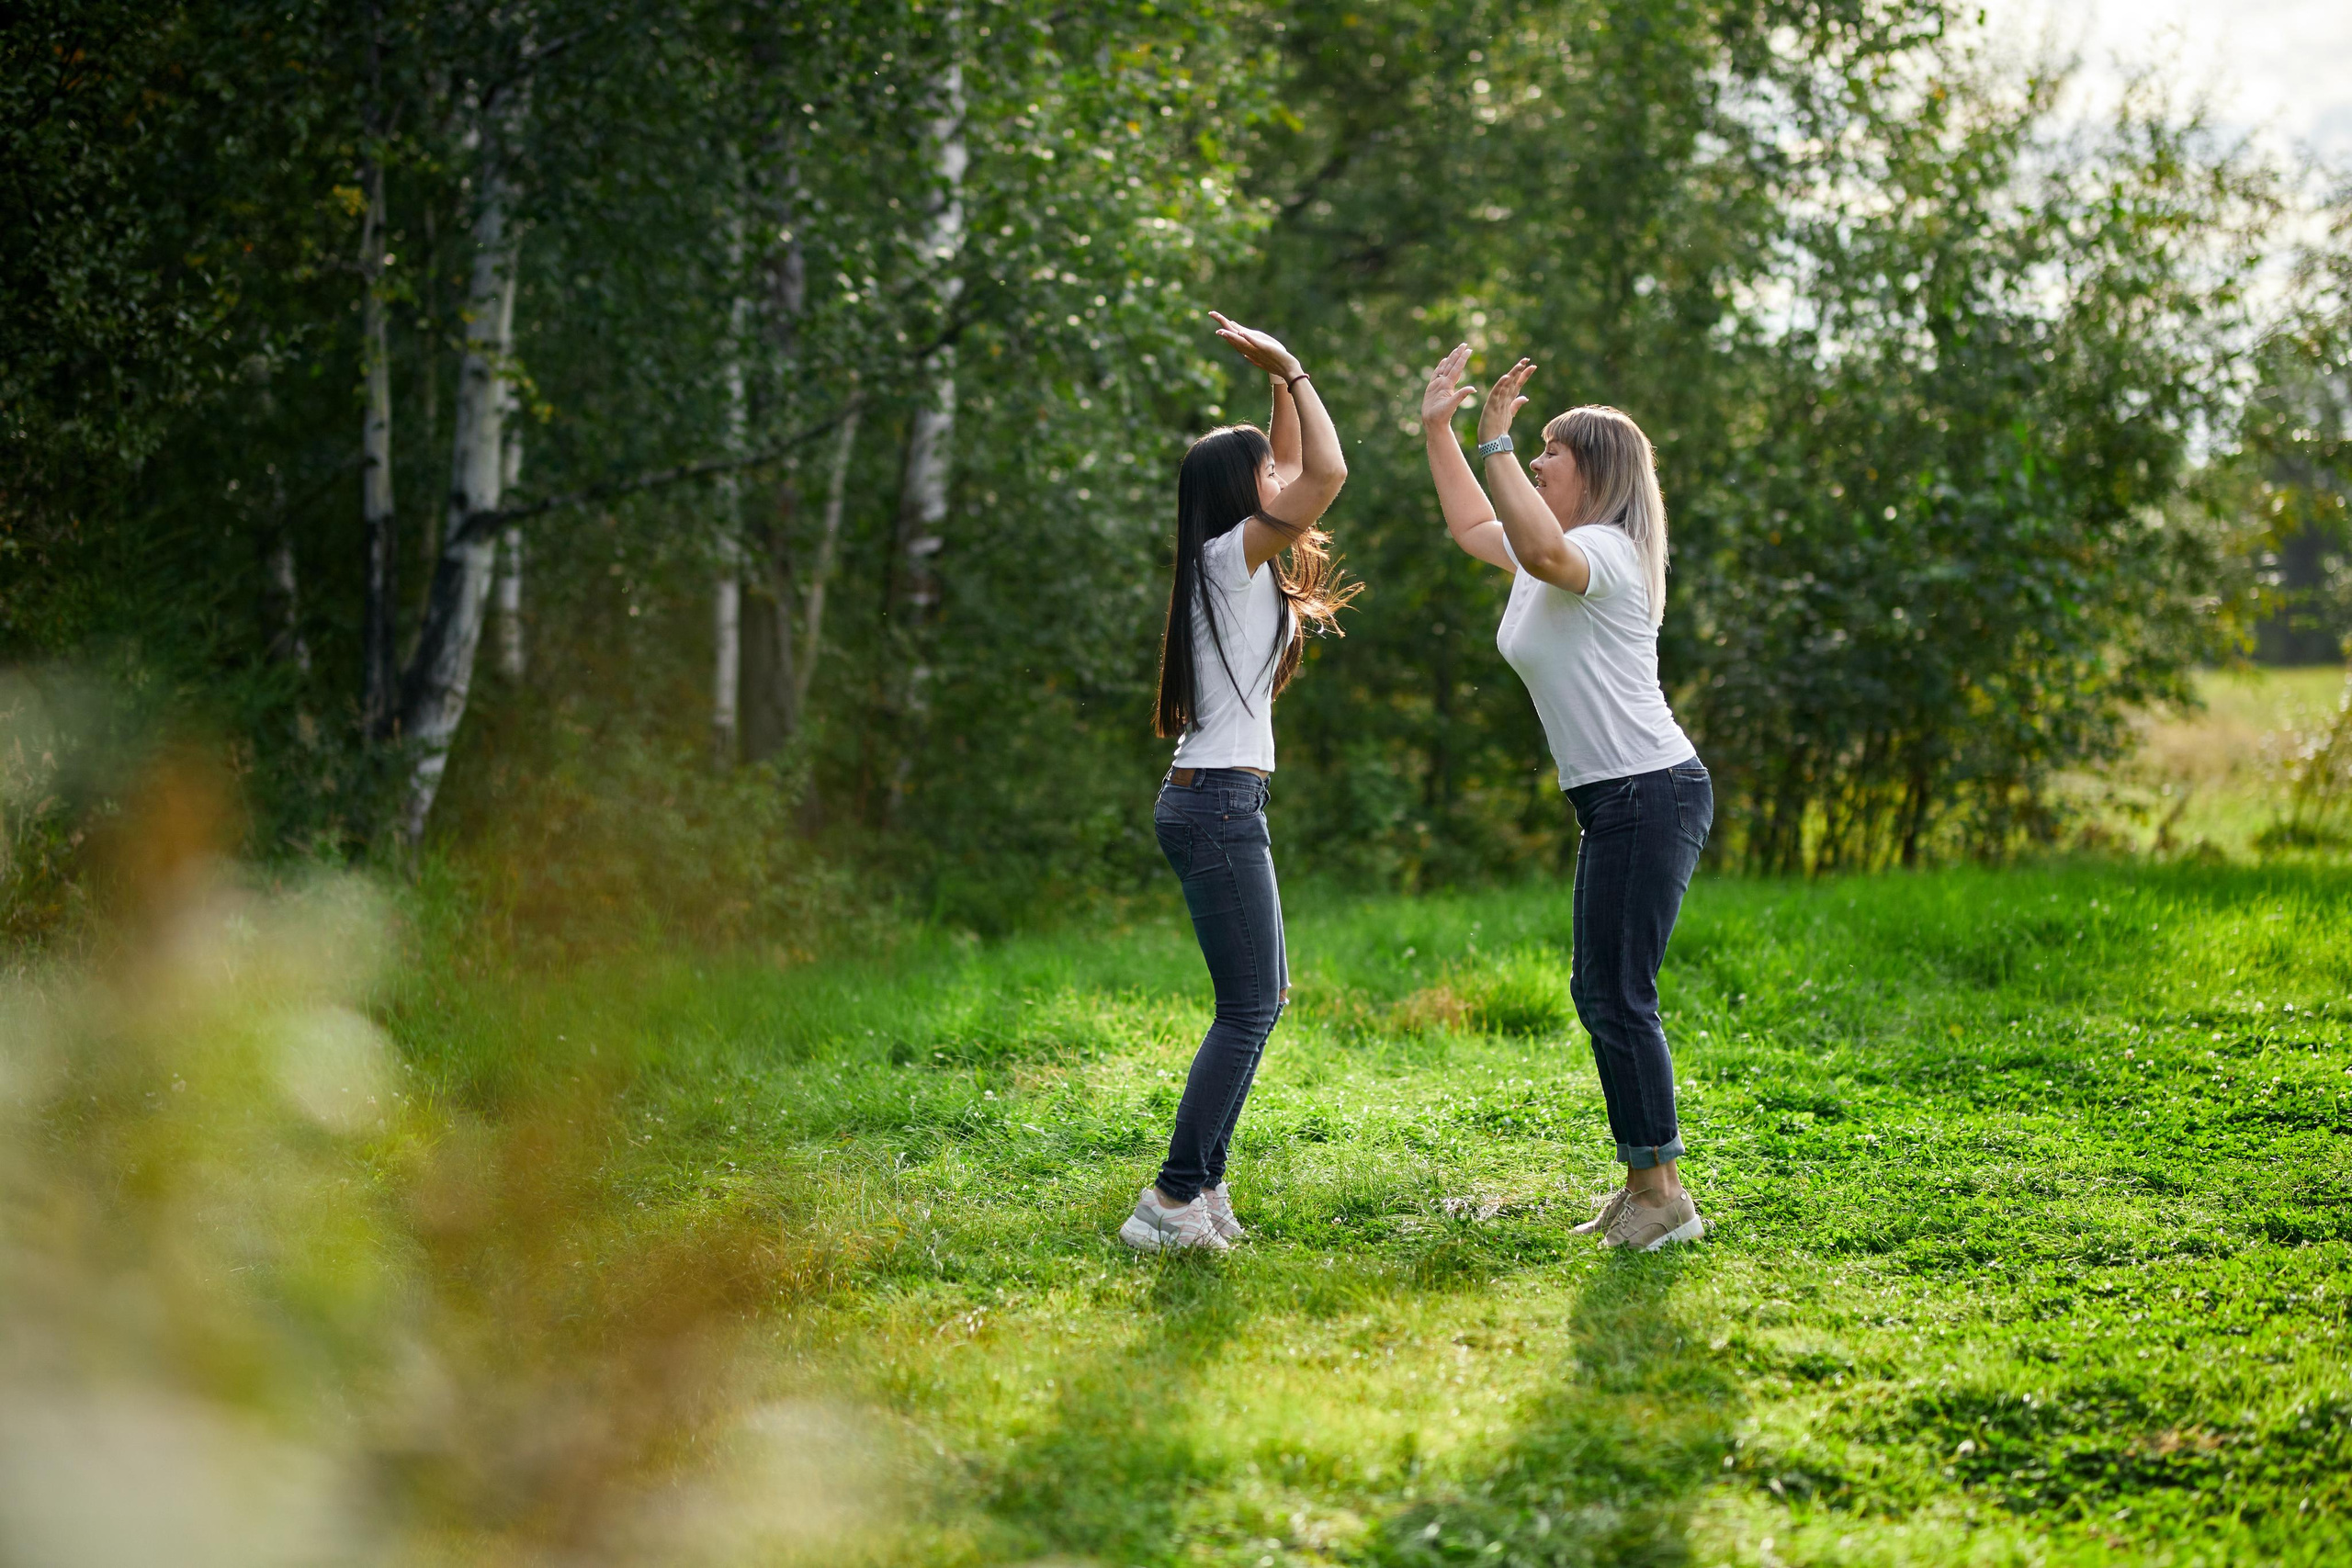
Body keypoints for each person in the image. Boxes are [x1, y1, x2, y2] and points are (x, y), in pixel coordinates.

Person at [1419, 344, 1712, 1252]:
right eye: (1531, 451)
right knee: (1601, 990)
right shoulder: (1560, 549)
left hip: (1647, 791)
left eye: (1551, 453)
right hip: (1615, 800)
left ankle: (1663, 1195)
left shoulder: (1604, 553)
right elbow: (1477, 531)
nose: (1535, 462)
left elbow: (1540, 547)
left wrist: (1495, 441)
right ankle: (1644, 1181)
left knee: (1618, 993)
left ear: (1592, 473)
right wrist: (1442, 430)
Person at [1120, 312, 1355, 1253]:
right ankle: (1170, 1200)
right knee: (1252, 1004)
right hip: (1215, 801)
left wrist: (1275, 388)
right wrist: (1295, 368)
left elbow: (1296, 464)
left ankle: (1202, 1190)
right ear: (1242, 493)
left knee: (1259, 998)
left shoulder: (1233, 561)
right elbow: (1326, 475)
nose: (1284, 482)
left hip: (1216, 797)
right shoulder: (1231, 558)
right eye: (1265, 473)